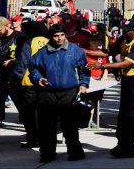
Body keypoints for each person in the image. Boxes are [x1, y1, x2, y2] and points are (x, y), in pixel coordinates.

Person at [87, 19, 134, 158]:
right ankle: (122, 145)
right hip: (128, 79)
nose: (125, 33)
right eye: (124, 30)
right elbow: (107, 52)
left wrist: (102, 67)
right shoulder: (123, 39)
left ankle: (129, 148)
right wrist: (85, 51)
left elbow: (125, 64)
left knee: (131, 115)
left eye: (128, 31)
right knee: (123, 114)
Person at [28, 23, 89, 163]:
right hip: (47, 93)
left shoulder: (75, 50)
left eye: (62, 35)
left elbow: (84, 68)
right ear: (51, 36)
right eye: (56, 36)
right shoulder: (42, 52)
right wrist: (38, 78)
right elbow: (32, 68)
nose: (60, 38)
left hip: (69, 92)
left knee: (70, 125)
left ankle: (75, 152)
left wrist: (84, 84)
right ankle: (47, 154)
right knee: (46, 126)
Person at [12, 21, 50, 148]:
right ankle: (44, 138)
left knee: (29, 113)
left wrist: (14, 77)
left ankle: (32, 139)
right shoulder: (49, 41)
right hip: (46, 81)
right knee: (44, 112)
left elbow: (23, 62)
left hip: (29, 82)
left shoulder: (29, 42)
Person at [0, 16, 27, 131]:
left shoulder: (20, 37)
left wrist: (14, 61)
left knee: (21, 101)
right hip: (1, 74)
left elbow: (27, 56)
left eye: (0, 30)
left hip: (16, 75)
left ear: (7, 26)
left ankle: (28, 126)